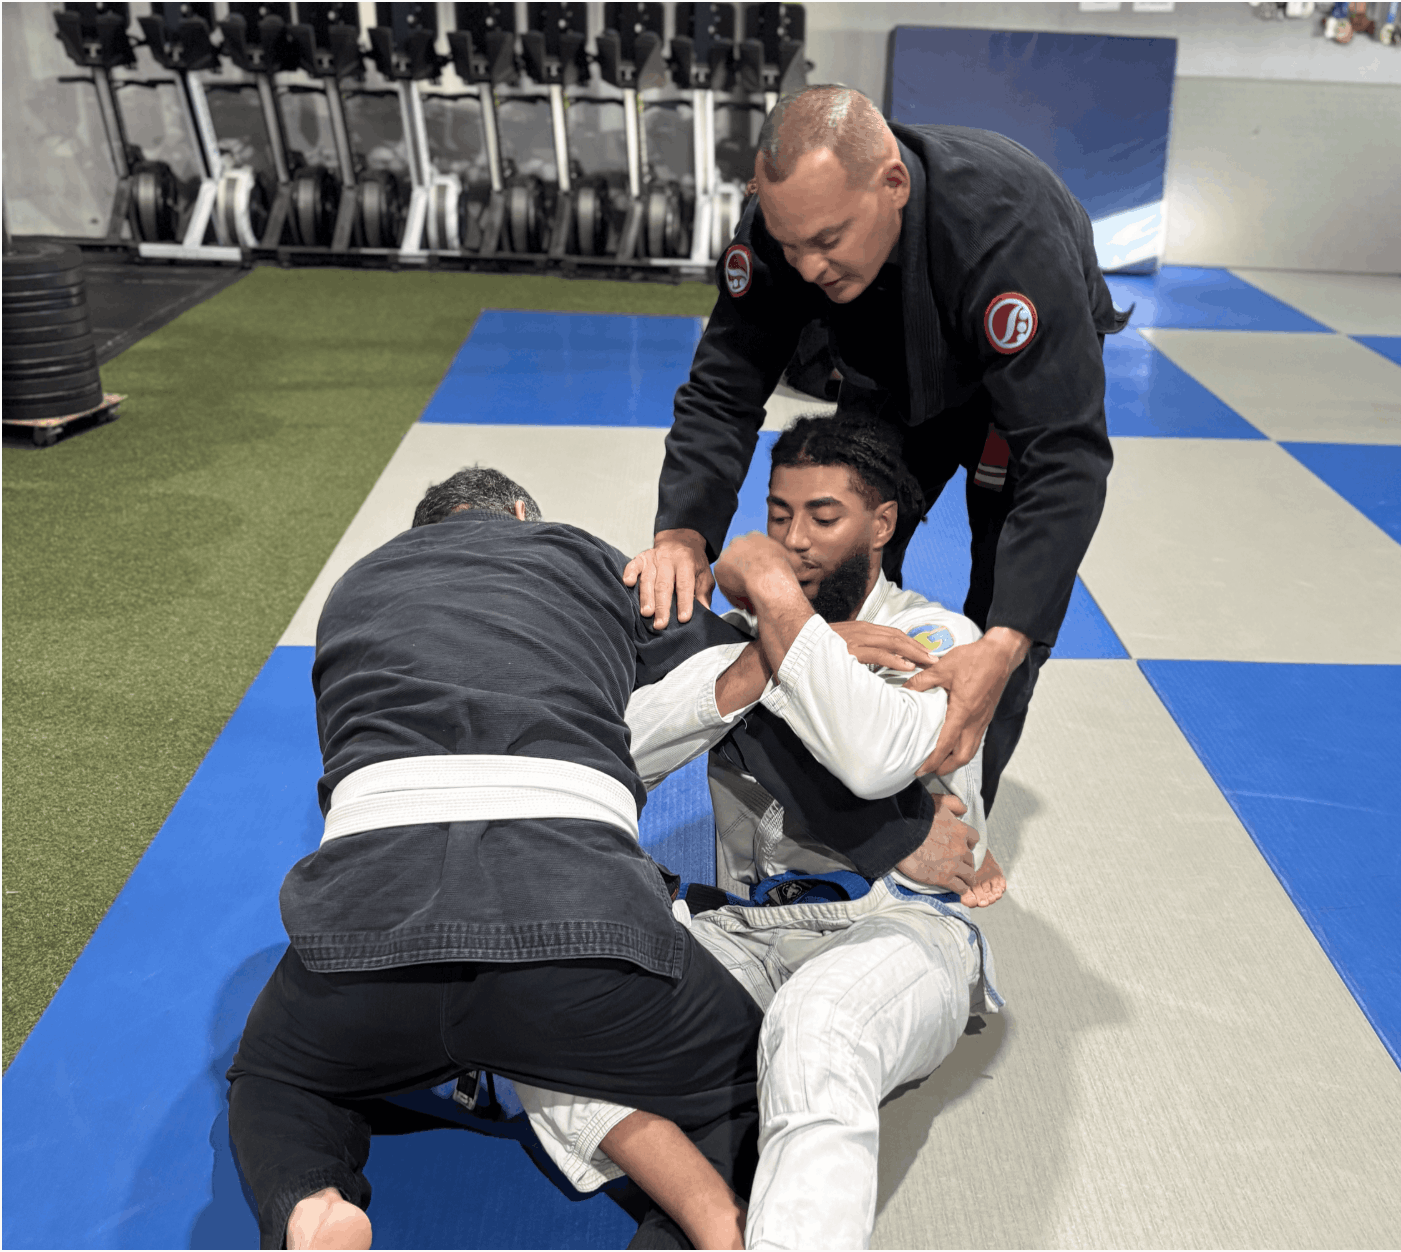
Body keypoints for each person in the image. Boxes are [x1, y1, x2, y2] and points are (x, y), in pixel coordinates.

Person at [225, 468, 769, 1250]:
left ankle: (314, 1207)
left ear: (422, 535)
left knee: (276, 1083)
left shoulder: (355, 586)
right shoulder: (578, 556)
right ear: (521, 515)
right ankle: (686, 1227)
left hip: (366, 934)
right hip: (576, 932)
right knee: (749, 1073)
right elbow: (733, 664)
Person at [525, 416, 1008, 1249]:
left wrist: (786, 620)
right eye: (778, 517)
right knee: (535, 1001)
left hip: (900, 928)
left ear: (882, 525)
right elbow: (614, 756)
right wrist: (760, 662)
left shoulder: (937, 636)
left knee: (818, 1026)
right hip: (749, 934)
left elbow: (869, 761)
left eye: (824, 518)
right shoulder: (737, 648)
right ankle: (710, 1206)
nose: (794, 540)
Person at [623, 84, 1126, 815]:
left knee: (997, 628)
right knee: (829, 563)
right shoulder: (784, 229)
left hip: (1015, 395)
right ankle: (824, 803)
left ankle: (951, 822)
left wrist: (1009, 640)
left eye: (827, 241)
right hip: (891, 372)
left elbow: (1065, 456)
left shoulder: (1005, 233)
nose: (807, 267)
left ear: (893, 184)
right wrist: (681, 533)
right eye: (791, 244)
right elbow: (722, 386)